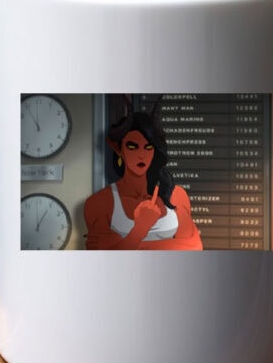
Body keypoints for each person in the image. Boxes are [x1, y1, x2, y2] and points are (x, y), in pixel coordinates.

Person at [83, 98, 203, 250]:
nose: (141, 155)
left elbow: (194, 247)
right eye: (133, 147)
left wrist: (130, 244)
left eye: (148, 147)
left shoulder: (176, 195)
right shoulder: (100, 202)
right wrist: (140, 229)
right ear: (118, 149)